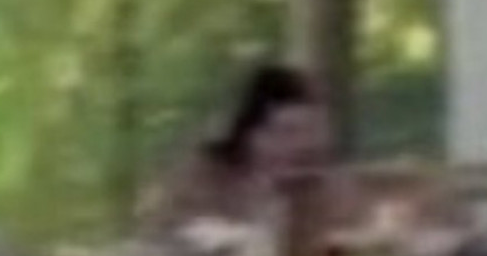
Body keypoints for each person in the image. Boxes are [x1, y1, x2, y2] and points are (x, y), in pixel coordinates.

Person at [138, 64, 359, 238]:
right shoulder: (203, 176)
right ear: (247, 134)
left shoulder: (324, 183)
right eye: (286, 132)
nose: (301, 145)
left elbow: (352, 233)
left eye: (310, 131)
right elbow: (159, 232)